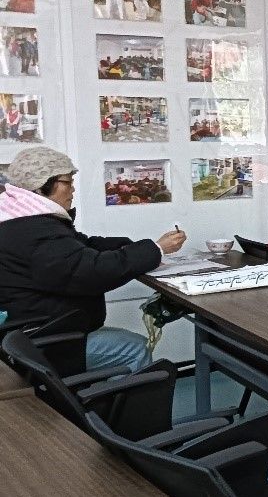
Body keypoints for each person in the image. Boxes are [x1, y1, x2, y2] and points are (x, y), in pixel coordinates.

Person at [0, 147, 186, 372]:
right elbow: (91, 271)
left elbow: (84, 246)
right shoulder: (36, 232)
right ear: (41, 186)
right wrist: (156, 249)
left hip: (42, 328)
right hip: (48, 340)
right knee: (135, 349)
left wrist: (143, 248)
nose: (73, 188)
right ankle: (117, 396)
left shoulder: (22, 221)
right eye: (67, 182)